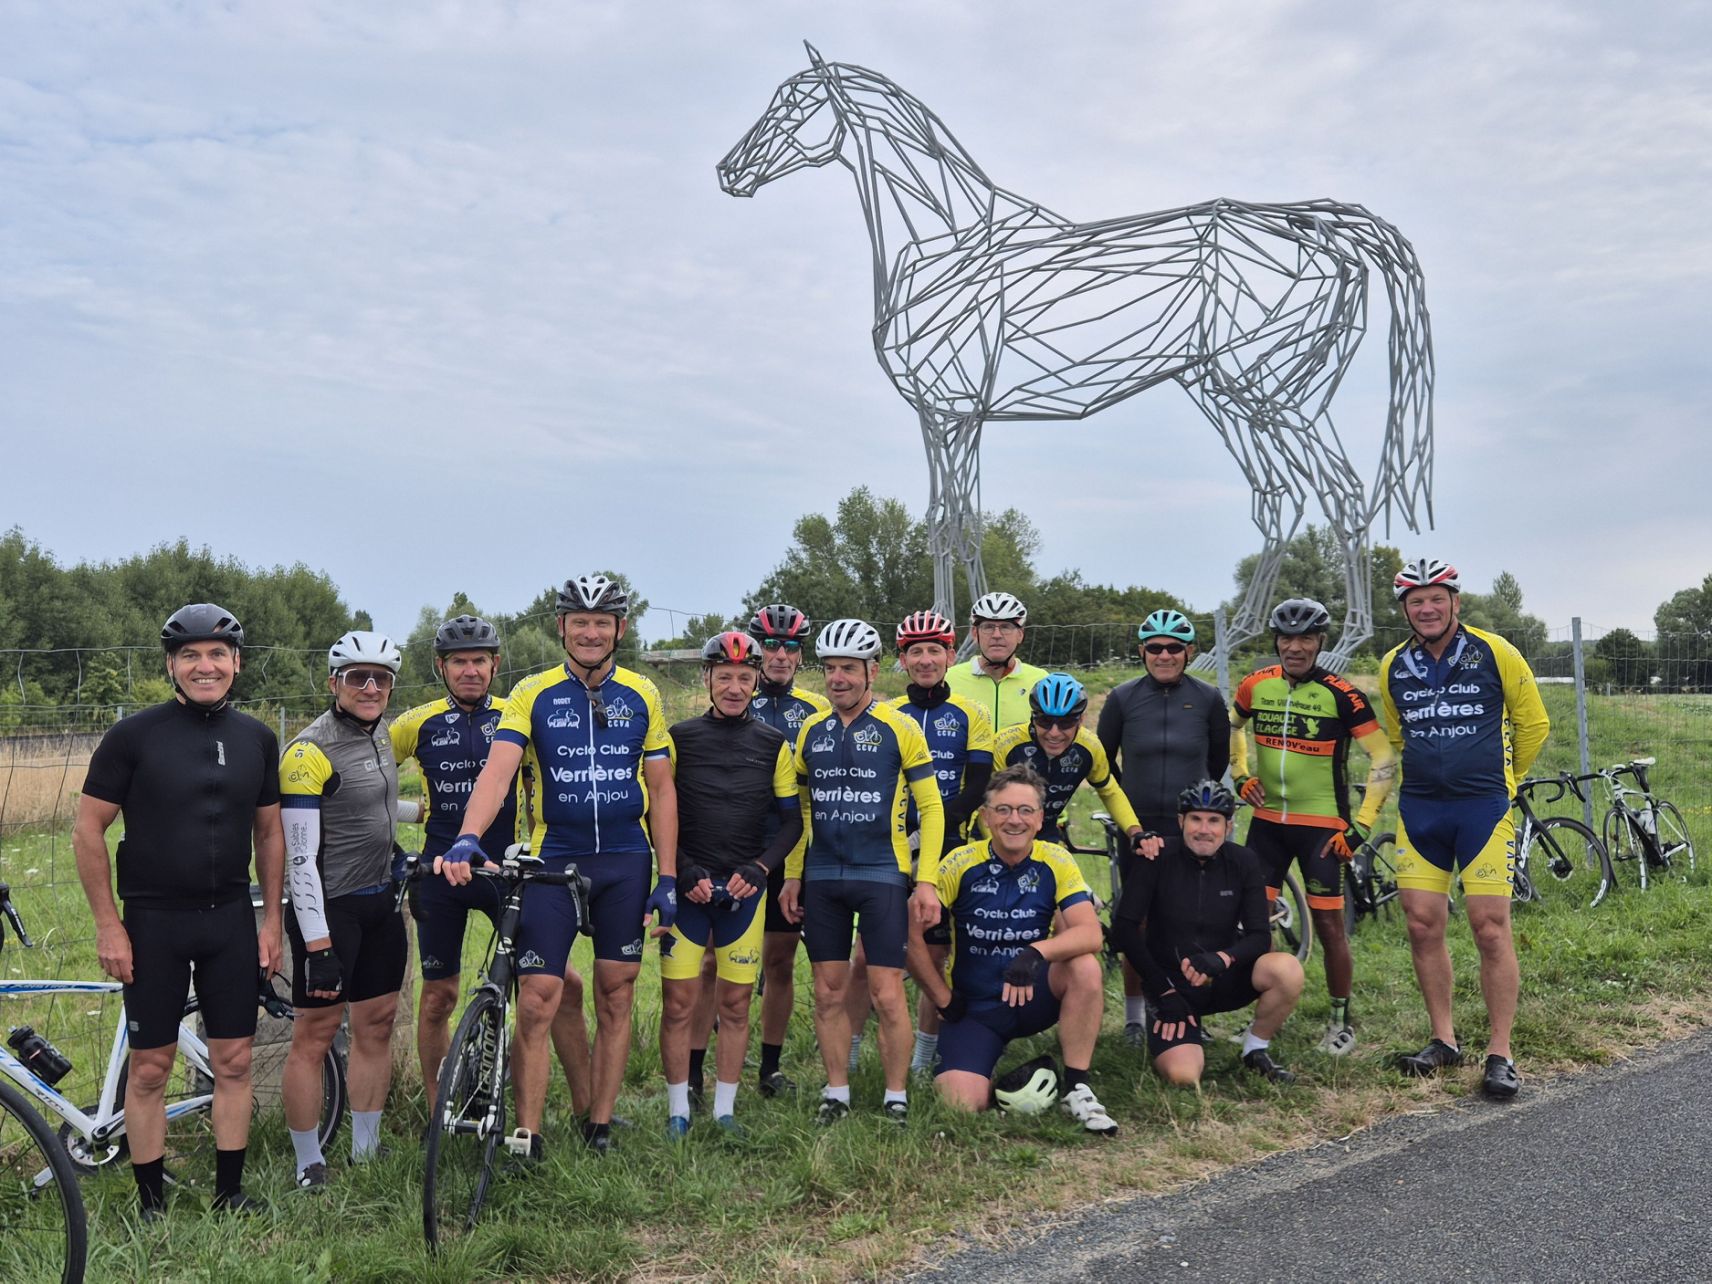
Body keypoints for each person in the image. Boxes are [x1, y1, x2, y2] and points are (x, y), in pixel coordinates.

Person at [441, 574, 677, 1156]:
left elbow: (662, 790)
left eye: (601, 623)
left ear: (620, 628)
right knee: (538, 995)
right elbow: (498, 772)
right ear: (561, 627)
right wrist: (468, 836)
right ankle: (528, 1136)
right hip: (555, 859)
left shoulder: (642, 693)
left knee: (616, 992)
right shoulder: (533, 692)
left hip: (625, 859)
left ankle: (599, 1124)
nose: (590, 633)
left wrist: (668, 876)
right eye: (580, 622)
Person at [73, 604, 283, 1218]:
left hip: (229, 920)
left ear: (236, 663)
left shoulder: (257, 738)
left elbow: (269, 834)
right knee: (150, 1069)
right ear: (171, 665)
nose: (204, 666)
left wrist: (272, 921)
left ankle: (229, 1193)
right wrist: (108, 926)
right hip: (152, 922)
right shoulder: (133, 736)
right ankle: (150, 1204)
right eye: (189, 655)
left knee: (234, 1061)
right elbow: (88, 830)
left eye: (217, 654)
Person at [389, 614, 592, 1105]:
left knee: (558, 984)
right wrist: (405, 825)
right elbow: (364, 782)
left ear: (495, 664)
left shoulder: (517, 713)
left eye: (479, 660)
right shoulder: (415, 723)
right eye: (459, 662)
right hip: (441, 871)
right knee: (438, 998)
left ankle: (585, 1111)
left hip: (506, 871)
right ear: (440, 666)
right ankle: (439, 1111)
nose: (470, 670)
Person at [1380, 559, 1549, 1099]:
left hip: (1483, 808)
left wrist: (1506, 778)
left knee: (1490, 928)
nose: (1427, 608)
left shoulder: (1495, 651)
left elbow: (1534, 723)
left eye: (1437, 598)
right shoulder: (1392, 665)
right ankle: (1444, 1040)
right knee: (1421, 925)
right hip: (1421, 809)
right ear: (1405, 609)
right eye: (1416, 601)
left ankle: (1500, 1053)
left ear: (1455, 602)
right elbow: (1396, 735)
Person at [777, 618, 944, 1124]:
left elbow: (931, 807)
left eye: (848, 668)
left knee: (886, 993)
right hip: (823, 876)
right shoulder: (812, 730)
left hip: (882, 873)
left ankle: (896, 1096)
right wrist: (793, 874)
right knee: (827, 991)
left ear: (872, 670)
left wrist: (926, 880)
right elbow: (802, 810)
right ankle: (837, 1092)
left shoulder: (900, 727)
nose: (838, 678)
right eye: (830, 668)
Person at [906, 765, 1119, 1132]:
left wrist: (1035, 953)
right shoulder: (960, 863)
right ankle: (1004, 1073)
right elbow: (909, 935)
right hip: (976, 1009)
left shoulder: (1056, 859)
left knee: (1085, 966)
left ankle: (1076, 1086)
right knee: (960, 1104)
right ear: (985, 817)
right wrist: (942, 997)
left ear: (1039, 818)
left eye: (1025, 810)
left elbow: (1090, 934)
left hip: (1036, 995)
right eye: (1003, 810)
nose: (1014, 820)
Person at [1228, 598, 1397, 1056]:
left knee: (1328, 925)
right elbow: (1233, 727)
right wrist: (1241, 775)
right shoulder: (1255, 685)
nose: (1295, 648)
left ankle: (1340, 1021)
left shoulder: (1342, 694)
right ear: (1276, 642)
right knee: (1254, 921)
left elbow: (1383, 757)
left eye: (1305, 639)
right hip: (1267, 823)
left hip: (1322, 825)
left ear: (1321, 642)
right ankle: (1262, 1015)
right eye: (1287, 639)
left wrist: (1361, 827)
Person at [280, 630, 410, 1190]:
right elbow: (299, 857)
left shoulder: (380, 734)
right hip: (329, 910)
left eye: (381, 678)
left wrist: (424, 816)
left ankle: (366, 1149)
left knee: (376, 1025)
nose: (370, 687)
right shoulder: (308, 751)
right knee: (315, 1035)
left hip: (381, 902)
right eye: (358, 677)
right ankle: (308, 1161)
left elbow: (374, 800)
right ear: (334, 682)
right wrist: (318, 944)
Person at [659, 632, 804, 1137]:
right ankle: (678, 1109)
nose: (735, 687)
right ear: (707, 679)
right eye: (725, 677)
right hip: (690, 889)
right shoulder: (679, 738)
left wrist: (760, 869)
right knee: (678, 1004)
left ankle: (725, 1111)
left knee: (736, 1005)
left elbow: (791, 822)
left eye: (745, 677)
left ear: (757, 680)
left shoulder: (773, 742)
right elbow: (657, 812)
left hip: (745, 890)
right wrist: (682, 869)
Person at [1111, 780, 1304, 1087]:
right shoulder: (1156, 856)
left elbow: (1259, 936)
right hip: (1172, 987)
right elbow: (1124, 929)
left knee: (1287, 969)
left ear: (1228, 826)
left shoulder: (1244, 861)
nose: (1204, 830)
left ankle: (1255, 1049)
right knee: (1184, 1077)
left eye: (1214, 820)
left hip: (1223, 974)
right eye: (1195, 819)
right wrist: (1162, 991)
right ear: (1181, 821)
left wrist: (1223, 958)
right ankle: (1174, 1028)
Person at [1095, 608, 1230, 1046]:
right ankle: (1135, 1017)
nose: (1165, 655)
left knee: (1191, 923)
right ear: (1142, 651)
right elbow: (1103, 764)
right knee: (1137, 922)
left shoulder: (1208, 699)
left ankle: (1189, 1009)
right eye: (1155, 647)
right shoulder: (1122, 698)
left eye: (1174, 647)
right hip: (1138, 827)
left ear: (1189, 652)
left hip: (1190, 828)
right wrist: (1129, 815)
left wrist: (1196, 813)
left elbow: (1217, 761)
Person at [744, 603, 830, 1098]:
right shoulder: (736, 695)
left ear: (801, 655)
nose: (780, 655)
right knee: (714, 961)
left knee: (779, 961)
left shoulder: (817, 709)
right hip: (735, 847)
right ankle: (701, 1065)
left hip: (791, 848)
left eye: (790, 646)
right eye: (771, 645)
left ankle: (770, 1068)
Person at [989, 673, 1147, 850]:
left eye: (1065, 723)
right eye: (1045, 721)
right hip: (998, 832)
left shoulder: (1090, 747)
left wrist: (1135, 832)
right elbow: (985, 804)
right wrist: (998, 848)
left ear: (1081, 720)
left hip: (1045, 832)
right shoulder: (1006, 744)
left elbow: (1109, 792)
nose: (1054, 733)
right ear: (1033, 717)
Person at [945, 591, 1048, 732]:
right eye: (988, 627)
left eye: (1006, 627)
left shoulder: (1041, 681)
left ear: (1020, 635)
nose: (997, 635)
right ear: (975, 634)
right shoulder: (949, 680)